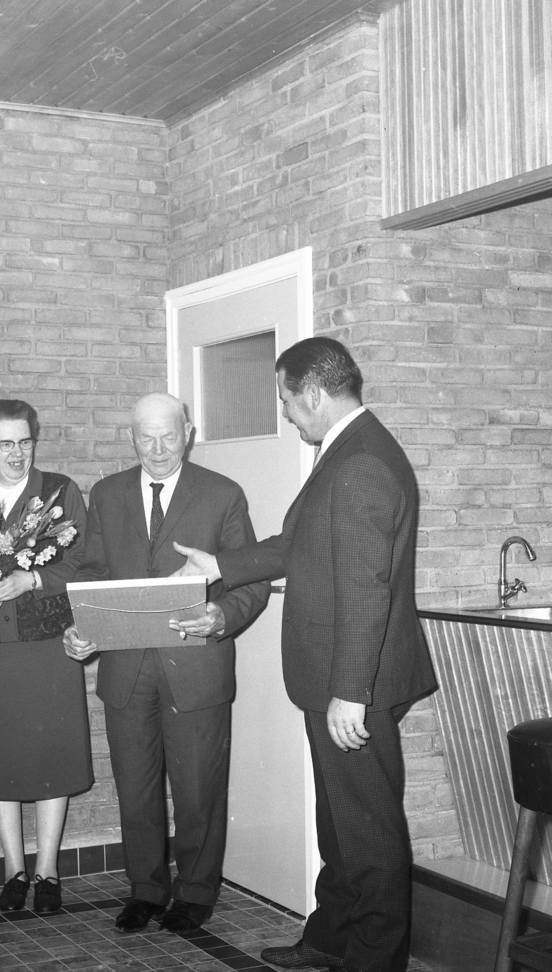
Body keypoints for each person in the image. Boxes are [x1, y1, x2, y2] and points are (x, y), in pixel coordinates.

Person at [171, 337, 436, 972]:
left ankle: (374, 960)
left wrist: (351, 691)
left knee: (366, 832)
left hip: (355, 683)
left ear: (313, 394)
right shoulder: (348, 449)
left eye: (287, 401)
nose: (286, 413)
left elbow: (366, 586)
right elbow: (301, 542)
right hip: (340, 677)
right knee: (342, 824)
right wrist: (222, 565)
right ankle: (331, 940)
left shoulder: (360, 462)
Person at [63, 392, 268, 934]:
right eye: (146, 438)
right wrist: (84, 628)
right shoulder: (107, 494)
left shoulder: (222, 494)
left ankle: (196, 893)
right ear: (131, 437)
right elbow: (92, 573)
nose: (157, 450)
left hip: (197, 668)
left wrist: (220, 616)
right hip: (126, 670)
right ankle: (146, 890)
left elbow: (251, 583)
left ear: (189, 434)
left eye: (169, 437)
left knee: (199, 790)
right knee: (136, 789)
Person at [0, 399, 92, 914]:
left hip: (47, 647)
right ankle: (14, 869)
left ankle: (48, 869)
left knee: (51, 754)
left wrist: (33, 579)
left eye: (25, 441)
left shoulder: (60, 492)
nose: (17, 453)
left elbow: (83, 561)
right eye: (4, 443)